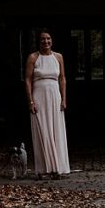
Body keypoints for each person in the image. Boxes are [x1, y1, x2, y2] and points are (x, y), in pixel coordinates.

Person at [24, 30, 70, 179]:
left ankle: (57, 167)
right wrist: (30, 100)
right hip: (39, 96)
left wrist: (63, 99)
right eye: (43, 39)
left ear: (52, 40)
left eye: (48, 39)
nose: (46, 41)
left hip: (54, 96)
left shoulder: (58, 57)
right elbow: (27, 79)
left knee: (56, 129)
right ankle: (44, 168)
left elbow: (62, 78)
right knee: (42, 130)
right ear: (39, 41)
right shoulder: (33, 58)